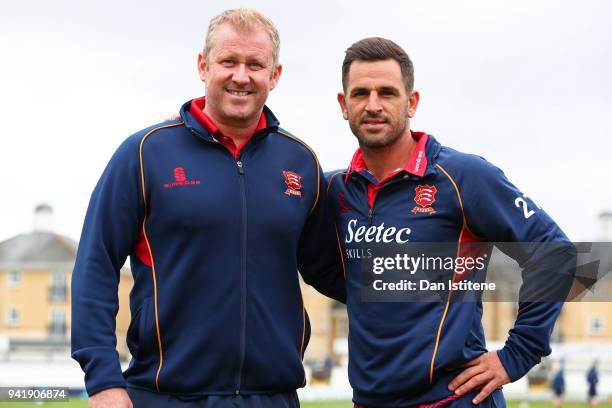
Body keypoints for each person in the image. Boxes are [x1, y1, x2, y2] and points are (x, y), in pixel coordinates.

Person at [71, 8, 345, 408]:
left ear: (275, 75)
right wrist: (102, 379)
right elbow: (95, 264)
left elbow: (335, 271)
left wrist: (443, 288)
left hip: (272, 398)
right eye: (228, 61)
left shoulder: (300, 162)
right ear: (203, 66)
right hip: (166, 396)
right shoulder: (146, 154)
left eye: (255, 64)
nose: (241, 76)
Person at [327, 37, 575, 407]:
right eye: (360, 93)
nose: (373, 105)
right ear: (343, 105)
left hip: (454, 399)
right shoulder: (335, 190)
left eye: (388, 93)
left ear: (411, 102)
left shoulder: (463, 177)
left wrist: (517, 355)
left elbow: (557, 255)